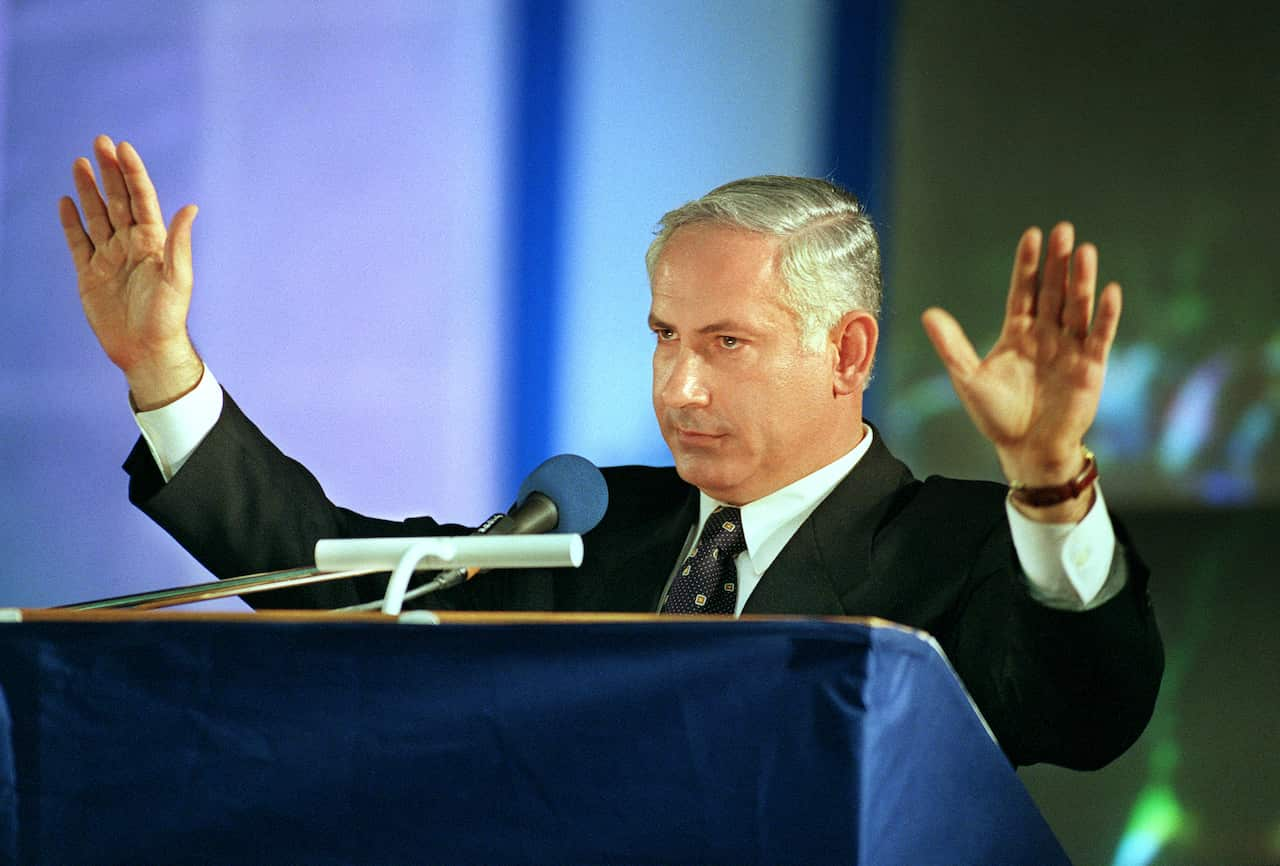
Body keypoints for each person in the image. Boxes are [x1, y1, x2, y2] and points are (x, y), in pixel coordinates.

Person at [59, 135, 1162, 769]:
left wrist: (1051, 478)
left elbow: (1080, 710)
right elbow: (342, 576)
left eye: (727, 342)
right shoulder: (593, 523)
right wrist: (162, 366)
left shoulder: (958, 543)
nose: (679, 386)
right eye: (664, 339)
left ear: (847, 348)